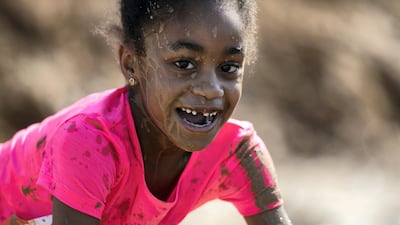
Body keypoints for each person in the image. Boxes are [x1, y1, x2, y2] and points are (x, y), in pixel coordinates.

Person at [0, 0, 292, 224]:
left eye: (228, 67)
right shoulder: (90, 142)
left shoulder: (236, 153)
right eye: (184, 64)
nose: (211, 89)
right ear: (131, 63)